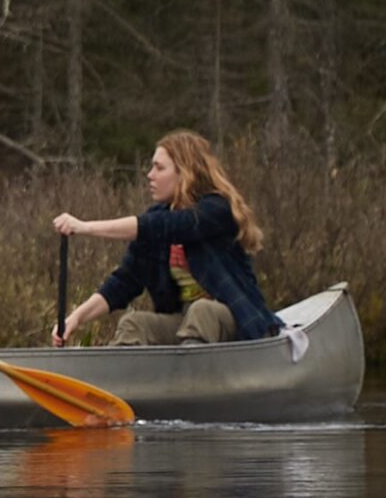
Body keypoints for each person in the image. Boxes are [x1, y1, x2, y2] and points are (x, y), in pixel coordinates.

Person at [51, 131, 283, 347]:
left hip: (237, 322)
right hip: (184, 324)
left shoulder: (216, 210)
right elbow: (124, 282)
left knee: (202, 311)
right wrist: (76, 317)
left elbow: (167, 226)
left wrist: (85, 227)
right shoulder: (157, 218)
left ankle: (191, 379)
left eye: (159, 168)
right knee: (134, 323)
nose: (150, 175)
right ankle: (126, 382)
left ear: (184, 173)